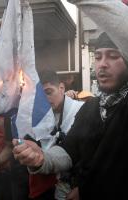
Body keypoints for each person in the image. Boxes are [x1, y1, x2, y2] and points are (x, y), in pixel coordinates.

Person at [13, 32, 128, 200]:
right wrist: (41, 157)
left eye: (113, 56)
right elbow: (69, 150)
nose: (103, 64)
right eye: (97, 57)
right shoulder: (90, 108)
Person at [27, 70, 84, 200]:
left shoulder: (81, 110)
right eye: (41, 94)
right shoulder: (38, 120)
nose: (45, 99)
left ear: (61, 88)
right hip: (49, 186)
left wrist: (83, 186)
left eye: (49, 92)